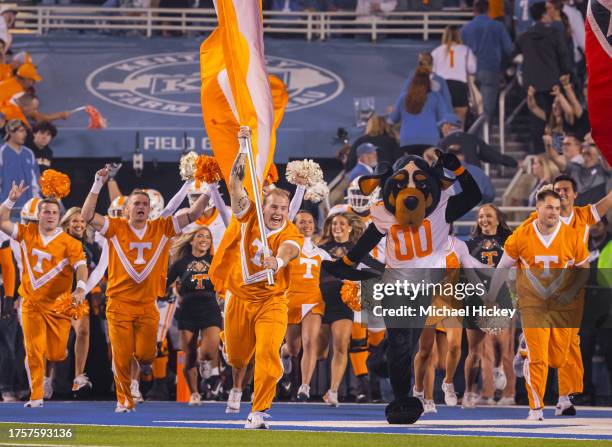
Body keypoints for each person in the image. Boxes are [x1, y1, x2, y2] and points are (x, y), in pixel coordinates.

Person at [80, 166, 210, 413]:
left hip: (147, 304)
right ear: (127, 208)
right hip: (118, 302)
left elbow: (193, 214)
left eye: (144, 203)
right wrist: (98, 183)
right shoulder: (116, 227)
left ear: (150, 209)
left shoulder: (161, 227)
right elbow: (87, 215)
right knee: (121, 355)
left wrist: (211, 188)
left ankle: (145, 365)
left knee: (146, 354)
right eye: (136, 203)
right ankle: (124, 399)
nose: (140, 206)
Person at [209, 127, 303, 429]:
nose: (277, 212)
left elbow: (290, 250)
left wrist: (276, 261)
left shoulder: (290, 232)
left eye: (283, 208)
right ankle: (230, 342)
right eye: (273, 206)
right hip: (239, 296)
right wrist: (241, 147)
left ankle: (260, 409)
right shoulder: (250, 216)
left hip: (272, 301)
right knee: (237, 358)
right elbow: (236, 186)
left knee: (267, 353)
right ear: (264, 207)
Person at [487, 189, 591, 420]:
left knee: (558, 359)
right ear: (538, 209)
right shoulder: (521, 236)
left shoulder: (571, 236)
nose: (554, 212)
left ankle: (523, 349)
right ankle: (536, 407)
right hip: (532, 304)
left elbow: (584, 269)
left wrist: (571, 292)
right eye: (549, 207)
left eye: (556, 207)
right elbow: (503, 268)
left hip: (561, 306)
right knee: (539, 358)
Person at [0, 182, 88, 408]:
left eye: (54, 212)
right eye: (46, 211)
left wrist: (80, 288)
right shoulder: (27, 232)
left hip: (58, 305)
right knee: (33, 349)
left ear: (59, 216)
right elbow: (1, 221)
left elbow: (80, 266)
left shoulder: (69, 242)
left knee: (57, 354)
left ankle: (54, 360)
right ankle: (36, 395)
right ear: (38, 215)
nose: (49, 215)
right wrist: (11, 200)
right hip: (31, 303)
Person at [464, 204, 515, 407]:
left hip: (503, 297)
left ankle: (508, 393)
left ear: (498, 218)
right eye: (481, 216)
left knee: (505, 347)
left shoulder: (509, 241)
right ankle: (487, 393)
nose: (484, 219)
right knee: (483, 349)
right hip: (479, 299)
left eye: (489, 215)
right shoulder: (470, 244)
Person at [167, 226, 222, 406]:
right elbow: (164, 284)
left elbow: (227, 281)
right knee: (189, 355)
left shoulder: (215, 261)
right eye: (200, 236)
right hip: (188, 308)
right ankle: (195, 393)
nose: (204, 239)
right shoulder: (180, 263)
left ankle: (203, 359)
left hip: (209, 307)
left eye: (207, 237)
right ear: (191, 240)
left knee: (208, 351)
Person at [281, 210, 330, 402]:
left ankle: (305, 386)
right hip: (291, 299)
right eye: (302, 222)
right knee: (293, 349)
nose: (306, 225)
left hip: (313, 300)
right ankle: (284, 355)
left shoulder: (322, 253)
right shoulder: (288, 248)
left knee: (310, 341)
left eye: (310, 221)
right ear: (294, 224)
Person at [317, 212, 365, 407]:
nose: (337, 227)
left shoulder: (358, 249)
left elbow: (368, 272)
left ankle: (333, 390)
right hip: (321, 299)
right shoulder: (319, 248)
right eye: (334, 223)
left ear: (350, 227)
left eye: (342, 224)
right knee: (319, 352)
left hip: (344, 301)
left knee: (341, 344)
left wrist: (355, 282)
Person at [514, 2, 572, 153]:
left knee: (537, 124)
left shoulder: (525, 36)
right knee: (556, 123)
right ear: (544, 14)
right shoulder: (554, 34)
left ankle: (540, 156)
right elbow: (565, 60)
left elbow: (511, 54)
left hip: (533, 87)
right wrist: (566, 76)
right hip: (554, 87)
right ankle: (558, 154)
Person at [58, 207, 101, 396]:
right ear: (67, 223)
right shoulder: (57, 242)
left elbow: (100, 271)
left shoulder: (90, 247)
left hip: (79, 296)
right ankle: (48, 378)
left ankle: (78, 377)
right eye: (75, 221)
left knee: (83, 332)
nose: (79, 224)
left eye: (82, 221)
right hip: (57, 296)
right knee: (57, 345)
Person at [461, 0, 512, 120]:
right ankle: (485, 136)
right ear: (488, 10)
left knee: (474, 109)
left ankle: (476, 136)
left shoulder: (464, 29)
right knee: (487, 110)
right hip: (490, 70)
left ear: (474, 11)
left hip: (470, 74)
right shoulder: (498, 26)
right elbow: (509, 49)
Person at [390, 67, 447, 155]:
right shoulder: (435, 96)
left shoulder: (404, 97)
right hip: (430, 141)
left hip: (407, 142)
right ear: (428, 82)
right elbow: (443, 118)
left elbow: (393, 119)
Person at [431, 26, 477, 128]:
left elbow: (431, 73)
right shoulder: (466, 50)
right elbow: (473, 69)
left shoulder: (436, 51)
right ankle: (459, 142)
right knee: (460, 122)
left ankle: (444, 143)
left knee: (444, 122)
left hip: (442, 88)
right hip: (459, 88)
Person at [437, 113, 518, 169]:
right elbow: (494, 156)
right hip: (475, 181)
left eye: (442, 126)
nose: (441, 129)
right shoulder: (474, 140)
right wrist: (515, 163)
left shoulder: (442, 143)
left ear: (447, 126)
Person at [0, 120, 40, 218]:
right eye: (21, 131)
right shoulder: (2, 152)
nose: (25, 134)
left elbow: (35, 182)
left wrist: (37, 202)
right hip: (6, 208)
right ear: (11, 132)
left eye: (25, 131)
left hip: (28, 209)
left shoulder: (29, 153)